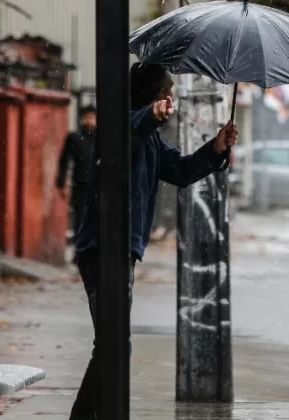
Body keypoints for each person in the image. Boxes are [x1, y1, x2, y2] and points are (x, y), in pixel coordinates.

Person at [69, 63, 238, 420]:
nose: (173, 97)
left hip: (120, 251)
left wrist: (216, 148)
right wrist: (151, 116)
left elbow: (180, 170)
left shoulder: (150, 139)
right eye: (170, 92)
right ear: (158, 96)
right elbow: (129, 129)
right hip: (102, 248)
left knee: (113, 346)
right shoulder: (119, 125)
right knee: (112, 346)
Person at [57, 105, 97, 247]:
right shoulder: (75, 138)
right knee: (80, 218)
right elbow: (64, 160)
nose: (89, 121)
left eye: (92, 118)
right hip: (80, 184)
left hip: (97, 185)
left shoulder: (101, 139)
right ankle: (79, 250)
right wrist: (61, 183)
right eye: (87, 117)